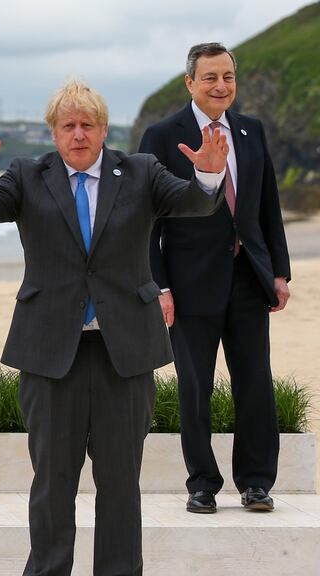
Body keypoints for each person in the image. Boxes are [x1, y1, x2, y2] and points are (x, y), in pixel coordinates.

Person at [0, 79, 228, 575]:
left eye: (87, 125)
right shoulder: (28, 174)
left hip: (124, 352)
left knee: (121, 482)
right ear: (54, 132)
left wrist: (208, 174)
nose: (78, 134)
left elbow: (193, 201)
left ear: (104, 129)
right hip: (49, 353)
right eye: (68, 126)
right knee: (52, 481)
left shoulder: (142, 171)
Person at [139, 42, 291, 514]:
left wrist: (279, 271)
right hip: (189, 285)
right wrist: (160, 286)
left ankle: (256, 482)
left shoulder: (251, 130)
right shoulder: (162, 136)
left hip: (249, 278)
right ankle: (202, 483)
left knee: (256, 384)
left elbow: (267, 205)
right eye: (210, 77)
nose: (221, 86)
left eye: (228, 76)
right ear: (190, 83)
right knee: (195, 388)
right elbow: (146, 221)